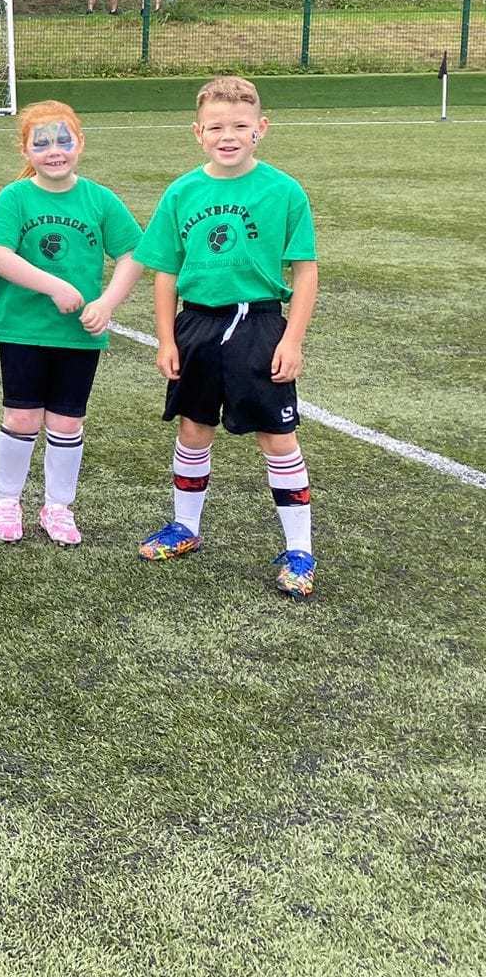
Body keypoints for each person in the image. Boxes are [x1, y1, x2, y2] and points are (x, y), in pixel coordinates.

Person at [133, 76, 320, 597]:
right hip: (196, 325)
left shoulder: (283, 191)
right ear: (198, 133)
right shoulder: (182, 192)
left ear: (261, 128)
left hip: (259, 324)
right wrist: (166, 339)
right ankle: (185, 527)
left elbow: (305, 271)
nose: (228, 136)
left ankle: (300, 549)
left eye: (240, 125)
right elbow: (166, 272)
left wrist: (292, 340)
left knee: (277, 436)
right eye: (216, 127)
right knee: (194, 428)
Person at [0, 102, 144, 545]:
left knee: (67, 423)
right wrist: (53, 286)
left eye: (63, 141)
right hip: (23, 329)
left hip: (78, 335)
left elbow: (132, 253)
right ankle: (7, 502)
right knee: (21, 417)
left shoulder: (99, 199)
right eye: (42, 143)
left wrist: (106, 303)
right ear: (26, 150)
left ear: (80, 144)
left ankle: (58, 507)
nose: (54, 151)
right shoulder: (16, 198)